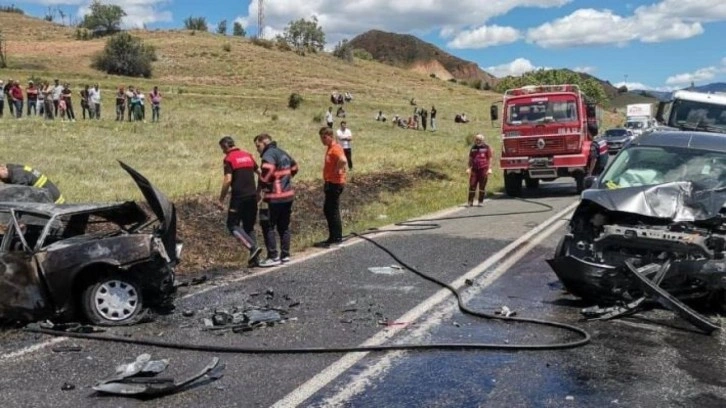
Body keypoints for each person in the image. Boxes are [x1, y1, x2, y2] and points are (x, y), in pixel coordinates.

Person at [253, 133, 299, 267]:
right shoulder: (283, 152)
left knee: (268, 225)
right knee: (284, 226)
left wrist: (261, 186)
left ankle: (273, 256)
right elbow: (295, 168)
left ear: (264, 143)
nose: (257, 149)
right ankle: (285, 255)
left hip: (273, 197)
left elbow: (267, 174)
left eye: (258, 146)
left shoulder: (269, 155)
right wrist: (285, 179)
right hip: (287, 195)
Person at [216, 136, 262, 265]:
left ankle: (252, 247)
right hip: (252, 197)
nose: (223, 152)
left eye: (222, 149)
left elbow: (228, 179)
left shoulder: (229, 159)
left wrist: (221, 200)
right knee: (249, 227)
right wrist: (258, 191)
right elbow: (260, 173)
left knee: (232, 225)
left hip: (239, 198)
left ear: (225, 146)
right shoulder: (248, 155)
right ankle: (255, 260)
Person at [314, 127, 347, 248]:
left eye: (323, 137)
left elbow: (343, 160)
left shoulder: (335, 148)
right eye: (321, 138)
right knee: (329, 209)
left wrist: (337, 169)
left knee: (331, 210)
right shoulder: (330, 148)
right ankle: (333, 236)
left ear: (329, 136)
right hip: (330, 182)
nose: (322, 140)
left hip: (335, 183)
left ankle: (336, 237)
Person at [0, 164, 65, 204]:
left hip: (54, 202)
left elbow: (19, 199)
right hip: (51, 196)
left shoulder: (18, 176)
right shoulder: (14, 168)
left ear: (2, 168)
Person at [467, 134, 492, 207]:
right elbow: (470, 159)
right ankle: (470, 202)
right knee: (472, 185)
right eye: (477, 139)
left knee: (482, 186)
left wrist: (490, 168)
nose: (478, 141)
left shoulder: (486, 147)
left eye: (479, 140)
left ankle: (480, 201)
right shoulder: (473, 148)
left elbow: (490, 158)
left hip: (483, 169)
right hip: (474, 170)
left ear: (483, 140)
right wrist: (469, 168)